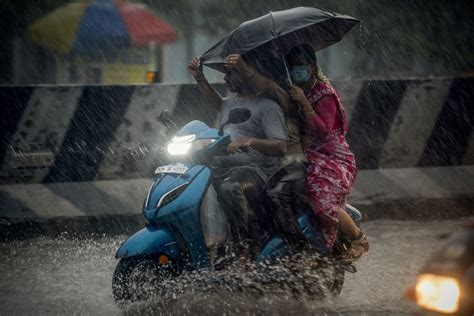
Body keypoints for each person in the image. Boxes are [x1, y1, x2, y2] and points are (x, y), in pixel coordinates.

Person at [225, 45, 368, 261]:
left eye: (300, 66)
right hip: (307, 158)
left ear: (311, 67)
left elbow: (323, 132)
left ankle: (356, 239)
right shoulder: (291, 93)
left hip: (332, 158)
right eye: (292, 67)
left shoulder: (324, 94)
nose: (296, 71)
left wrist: (303, 102)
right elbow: (272, 89)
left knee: (322, 204)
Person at [188, 56, 288, 257]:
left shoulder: (268, 107)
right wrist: (200, 77)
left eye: (230, 73)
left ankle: (244, 248)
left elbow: (281, 147)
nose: (225, 78)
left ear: (245, 75)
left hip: (257, 173)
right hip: (225, 169)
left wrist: (250, 142)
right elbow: (217, 101)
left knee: (230, 188)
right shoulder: (230, 103)